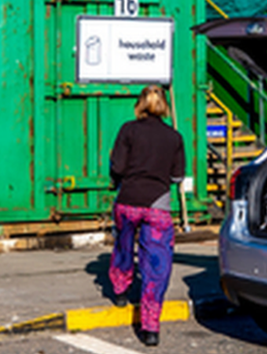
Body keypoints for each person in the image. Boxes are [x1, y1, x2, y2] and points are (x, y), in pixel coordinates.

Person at [108, 85, 185, 347]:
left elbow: (117, 166)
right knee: (156, 266)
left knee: (123, 246)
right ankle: (151, 328)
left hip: (128, 200)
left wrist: (118, 176)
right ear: (164, 105)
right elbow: (176, 177)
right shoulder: (174, 137)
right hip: (158, 206)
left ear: (140, 104)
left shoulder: (128, 130)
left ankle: (120, 290)